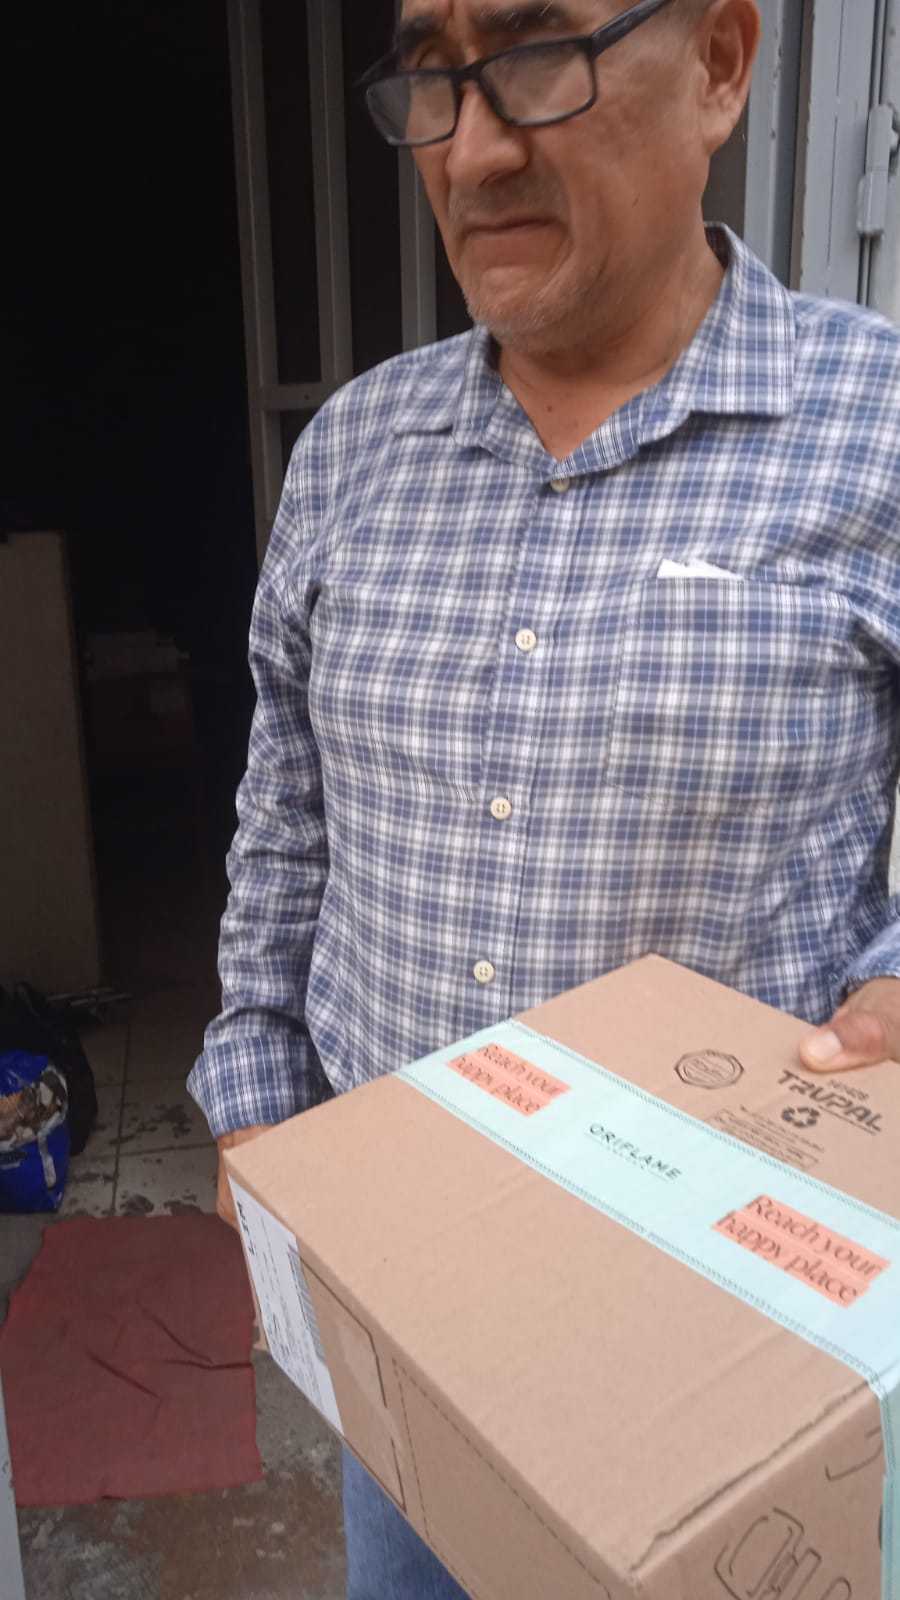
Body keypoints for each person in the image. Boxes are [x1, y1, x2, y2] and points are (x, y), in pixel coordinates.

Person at [189, 0, 900, 1593]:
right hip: (400, 1299)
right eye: (432, 74)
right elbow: (286, 808)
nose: (474, 149)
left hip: (731, 1340)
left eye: (533, 54)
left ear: (719, 64)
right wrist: (253, 1088)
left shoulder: (878, 432)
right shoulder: (357, 449)